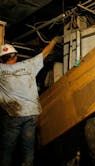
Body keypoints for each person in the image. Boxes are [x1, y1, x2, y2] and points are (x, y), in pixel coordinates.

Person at [0, 36, 63, 166]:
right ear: (16, 57)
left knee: (7, 150)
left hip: (13, 115)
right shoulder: (28, 65)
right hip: (31, 114)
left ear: (2, 59)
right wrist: (54, 41)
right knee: (28, 149)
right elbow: (45, 53)